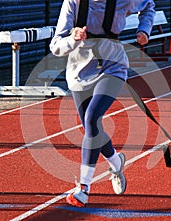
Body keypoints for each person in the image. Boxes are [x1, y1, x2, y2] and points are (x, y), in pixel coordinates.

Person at [50, 0, 155, 207]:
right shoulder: (73, 3)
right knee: (92, 128)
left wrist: (145, 30)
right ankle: (116, 163)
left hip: (113, 67)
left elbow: (148, 5)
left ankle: (83, 188)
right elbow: (56, 46)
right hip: (79, 73)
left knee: (92, 119)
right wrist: (73, 38)